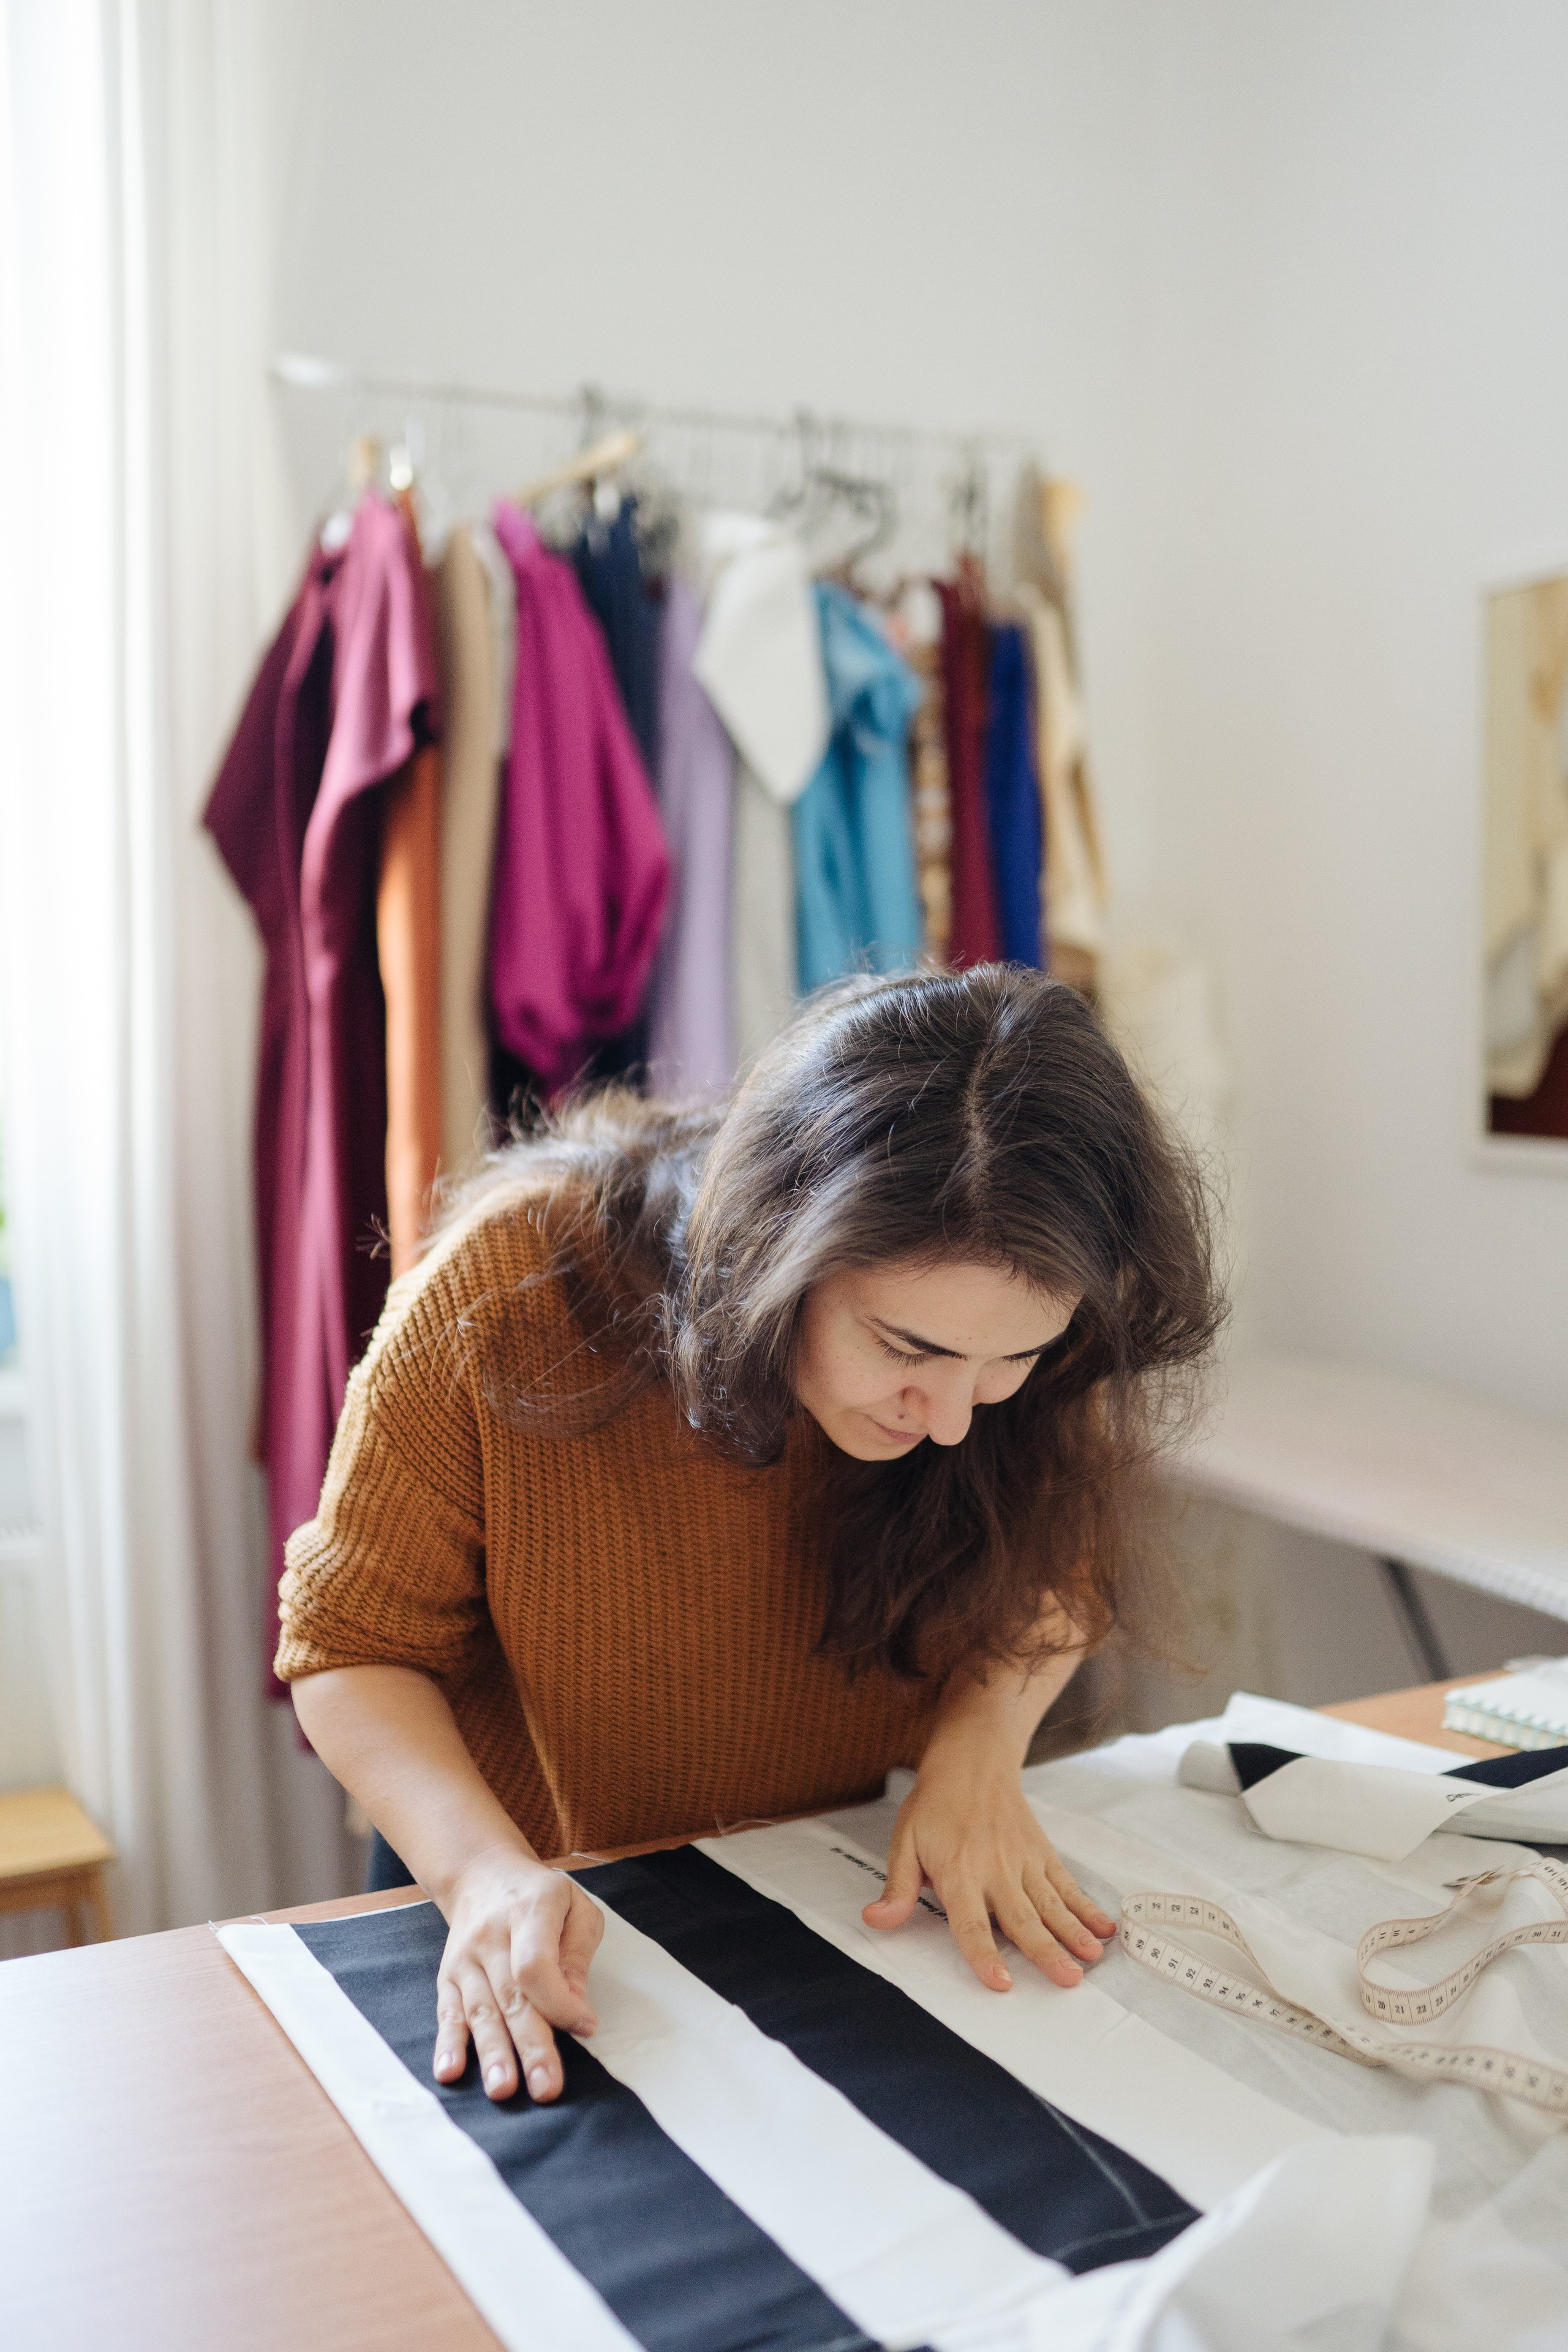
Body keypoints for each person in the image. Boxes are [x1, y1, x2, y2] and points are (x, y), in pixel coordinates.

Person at [285, 965, 1221, 2107]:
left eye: (1011, 1362)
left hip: (803, 1889)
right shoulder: (510, 1289)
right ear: (777, 1247)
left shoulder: (1016, 1324)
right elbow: (349, 1645)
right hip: (522, 1888)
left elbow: (1057, 1558)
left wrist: (978, 1750)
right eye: (906, 1350)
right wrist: (480, 1872)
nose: (953, 1419)